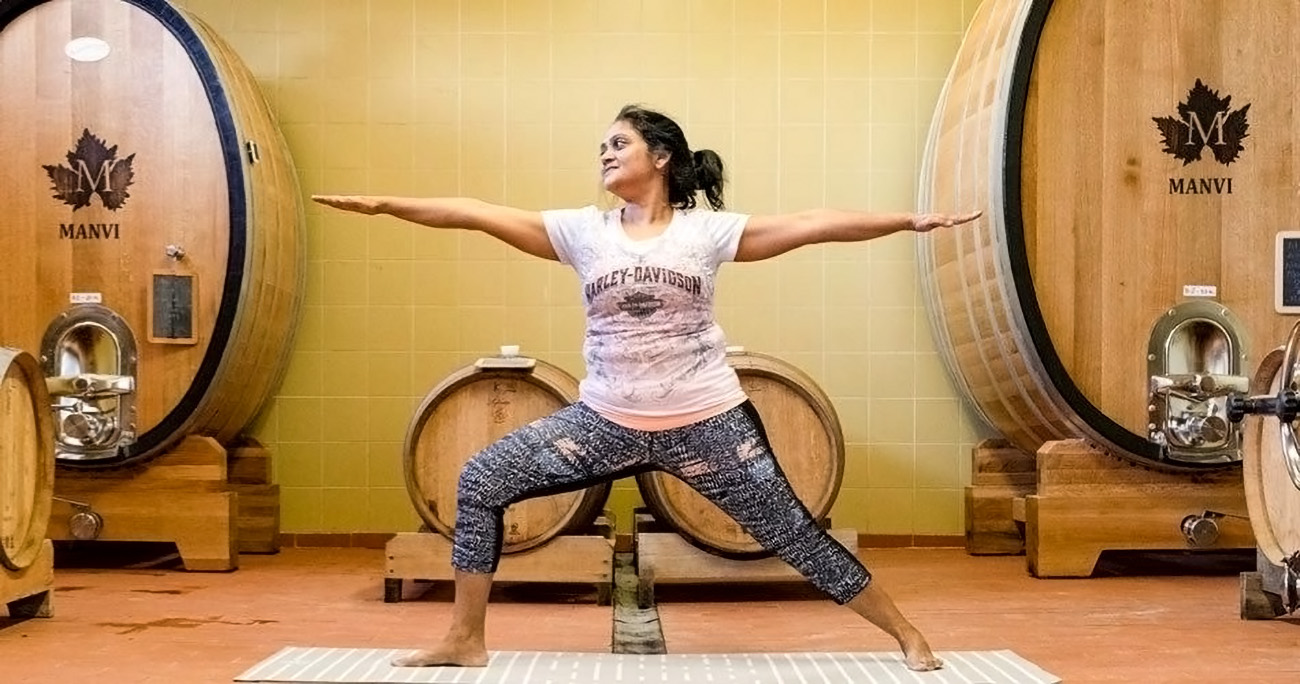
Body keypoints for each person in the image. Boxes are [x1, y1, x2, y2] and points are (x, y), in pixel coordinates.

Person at [313, 104, 980, 673]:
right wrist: (384, 205)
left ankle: (905, 633)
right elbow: (475, 212)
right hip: (604, 422)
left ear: (660, 157)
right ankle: (464, 639)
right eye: (602, 146)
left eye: (618, 143)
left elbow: (816, 223)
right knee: (483, 480)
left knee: (793, 533)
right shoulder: (582, 232)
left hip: (709, 423)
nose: (604, 154)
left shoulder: (705, 232)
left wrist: (907, 221)